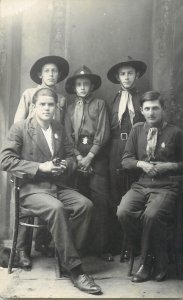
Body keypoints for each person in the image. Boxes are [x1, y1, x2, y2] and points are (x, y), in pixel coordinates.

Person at [0, 88, 102, 295]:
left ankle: (67, 257)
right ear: (34, 106)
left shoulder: (58, 128)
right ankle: (76, 270)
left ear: (56, 107)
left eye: (51, 105)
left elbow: (72, 156)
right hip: (30, 190)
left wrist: (66, 164)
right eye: (43, 104)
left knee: (85, 206)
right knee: (57, 209)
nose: (47, 108)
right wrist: (40, 167)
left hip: (57, 186)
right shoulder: (20, 128)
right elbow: (5, 160)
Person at [117, 91, 183, 282]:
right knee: (123, 211)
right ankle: (153, 255)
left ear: (163, 109)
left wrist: (169, 166)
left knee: (151, 215)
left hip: (167, 187)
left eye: (155, 108)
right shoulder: (137, 130)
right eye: (147, 109)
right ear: (141, 110)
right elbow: (126, 160)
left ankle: (147, 263)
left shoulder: (176, 133)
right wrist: (141, 164)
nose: (151, 113)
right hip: (141, 185)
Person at [14, 55, 69, 259]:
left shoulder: (61, 99)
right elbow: (18, 123)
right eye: (47, 71)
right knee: (30, 194)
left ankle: (43, 242)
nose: (51, 74)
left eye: (54, 71)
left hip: (50, 149)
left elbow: (61, 128)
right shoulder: (29, 94)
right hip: (29, 149)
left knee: (53, 194)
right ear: (40, 74)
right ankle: (22, 249)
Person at [64, 66, 112, 260]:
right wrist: (77, 157)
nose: (82, 87)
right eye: (79, 84)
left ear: (91, 85)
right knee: (79, 200)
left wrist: (90, 156)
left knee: (100, 200)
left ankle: (102, 247)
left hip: (96, 154)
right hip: (77, 154)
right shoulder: (69, 108)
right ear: (74, 87)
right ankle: (78, 247)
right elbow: (67, 136)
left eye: (85, 84)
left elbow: (103, 132)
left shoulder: (100, 104)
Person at [107, 56, 146, 253]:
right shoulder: (113, 99)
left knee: (135, 190)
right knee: (115, 192)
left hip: (135, 145)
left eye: (130, 73)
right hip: (115, 146)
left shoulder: (142, 99)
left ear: (137, 75)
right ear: (117, 77)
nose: (126, 77)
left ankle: (134, 243)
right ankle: (117, 243)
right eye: (123, 74)